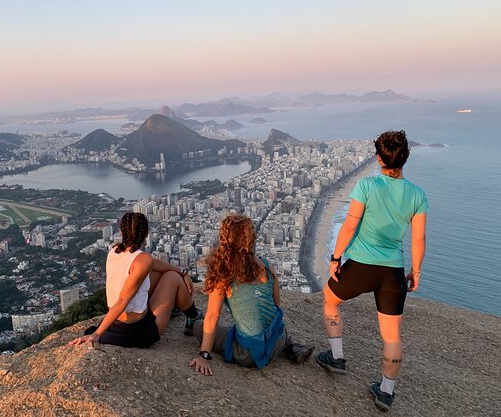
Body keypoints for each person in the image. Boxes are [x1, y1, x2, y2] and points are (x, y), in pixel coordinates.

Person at [316, 130, 428, 412]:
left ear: (378, 158)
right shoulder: (417, 195)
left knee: (330, 300)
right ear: (405, 158)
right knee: (392, 335)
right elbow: (418, 239)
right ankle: (386, 392)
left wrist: (335, 258)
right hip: (392, 272)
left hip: (361, 266)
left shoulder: (366, 185)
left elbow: (350, 225)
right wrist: (416, 271)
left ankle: (337, 357)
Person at [189, 214, 314, 375]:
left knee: (199, 326)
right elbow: (276, 304)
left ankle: (270, 346)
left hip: (249, 355)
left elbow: (212, 317)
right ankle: (290, 346)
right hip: (278, 339)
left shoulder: (223, 275)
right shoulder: (267, 266)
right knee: (254, 324)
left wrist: (203, 355)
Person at [69, 212, 201, 348]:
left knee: (161, 273)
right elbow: (123, 300)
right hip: (135, 331)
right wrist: (97, 334)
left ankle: (172, 307)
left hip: (117, 322)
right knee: (173, 277)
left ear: (121, 231)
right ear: (147, 232)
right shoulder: (143, 260)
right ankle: (194, 316)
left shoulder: (115, 250)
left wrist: (182, 270)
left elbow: (153, 264)